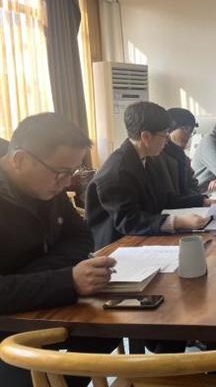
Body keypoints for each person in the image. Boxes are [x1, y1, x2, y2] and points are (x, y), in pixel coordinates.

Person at [0, 113, 118, 387]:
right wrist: (67, 280)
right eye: (61, 173)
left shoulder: (45, 187)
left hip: (43, 305)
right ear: (19, 159)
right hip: (8, 329)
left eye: (72, 173)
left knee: (108, 329)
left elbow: (81, 234)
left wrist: (43, 275)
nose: (67, 183)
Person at [86, 101, 211, 250]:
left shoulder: (149, 159)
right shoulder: (118, 170)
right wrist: (177, 221)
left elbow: (165, 200)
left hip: (145, 236)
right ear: (146, 136)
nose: (167, 141)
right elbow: (129, 221)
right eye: (165, 135)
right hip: (118, 245)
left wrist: (202, 201)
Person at [154, 107, 202, 196]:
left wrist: (199, 199)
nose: (188, 134)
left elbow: (193, 185)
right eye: (184, 128)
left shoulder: (183, 156)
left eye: (191, 131)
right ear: (170, 129)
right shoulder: (158, 155)